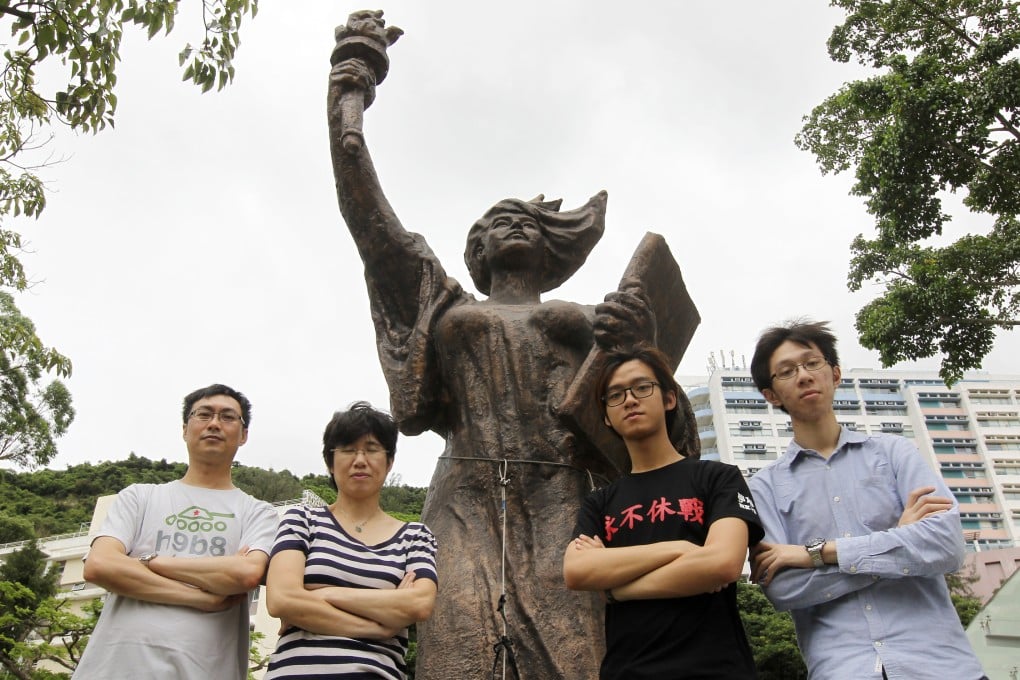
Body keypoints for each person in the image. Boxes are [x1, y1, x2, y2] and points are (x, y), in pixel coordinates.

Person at [326, 27, 698, 678]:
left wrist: (634, 335)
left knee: (573, 655)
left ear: (552, 247)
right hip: (464, 492)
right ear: (478, 248)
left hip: (562, 491)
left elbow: (654, 414)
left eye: (526, 218)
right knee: (456, 650)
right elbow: (372, 225)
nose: (515, 223)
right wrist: (350, 92)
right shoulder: (445, 305)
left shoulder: (591, 316)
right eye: (499, 219)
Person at [746, 320, 987, 680]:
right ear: (771, 395)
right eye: (786, 371)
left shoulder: (895, 453)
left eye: (813, 363)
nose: (804, 375)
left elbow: (947, 545)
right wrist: (898, 541)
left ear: (835, 374)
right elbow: (782, 588)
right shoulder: (764, 486)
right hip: (843, 669)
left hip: (941, 665)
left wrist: (818, 554)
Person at [563, 345, 763, 679]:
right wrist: (681, 549)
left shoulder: (719, 478)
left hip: (717, 669)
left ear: (669, 398)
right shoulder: (599, 502)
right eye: (614, 395)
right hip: (627, 670)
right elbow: (578, 570)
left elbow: (723, 563)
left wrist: (616, 588)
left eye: (642, 387)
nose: (629, 399)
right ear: (606, 417)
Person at [74, 384, 279, 679]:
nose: (214, 424)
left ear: (243, 435)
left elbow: (243, 575)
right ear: (185, 429)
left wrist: (148, 561)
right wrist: (203, 597)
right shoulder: (139, 497)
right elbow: (100, 566)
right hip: (113, 667)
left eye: (228, 417)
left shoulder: (258, 512)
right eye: (203, 414)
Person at [264, 401, 437, 679]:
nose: (360, 460)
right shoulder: (302, 519)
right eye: (347, 450)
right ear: (330, 463)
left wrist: (323, 593)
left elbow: (418, 604)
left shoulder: (415, 536)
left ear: (389, 461)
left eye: (371, 450)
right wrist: (379, 623)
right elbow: (282, 600)